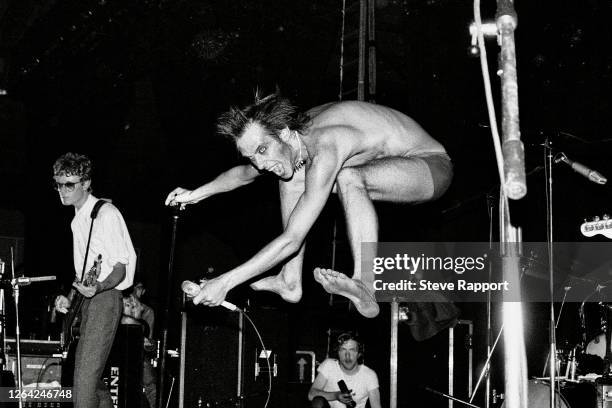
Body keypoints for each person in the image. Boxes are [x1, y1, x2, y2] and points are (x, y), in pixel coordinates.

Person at [165, 92, 452, 318]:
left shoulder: (325, 145)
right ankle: (290, 280)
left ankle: (366, 283)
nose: (260, 163)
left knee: (347, 177)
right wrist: (196, 194)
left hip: (431, 167)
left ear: (286, 134)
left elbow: (292, 239)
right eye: (253, 156)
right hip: (386, 164)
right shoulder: (290, 141)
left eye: (262, 150)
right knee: (287, 173)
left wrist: (226, 282)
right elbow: (243, 175)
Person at [53, 152, 137, 408]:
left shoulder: (106, 213)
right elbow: (84, 273)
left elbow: (121, 267)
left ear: (86, 183)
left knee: (84, 383)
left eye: (70, 184)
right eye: (58, 183)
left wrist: (99, 286)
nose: (62, 190)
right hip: (88, 300)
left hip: (106, 299)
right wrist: (68, 299)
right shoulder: (78, 219)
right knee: (92, 382)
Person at [308, 333, 381, 408]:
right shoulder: (329, 366)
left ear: (359, 354)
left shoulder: (369, 375)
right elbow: (311, 395)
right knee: (318, 401)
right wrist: (336, 395)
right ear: (338, 352)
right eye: (343, 350)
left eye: (352, 350)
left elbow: (376, 406)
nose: (347, 355)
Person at [121, 282, 157, 408]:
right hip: (117, 354)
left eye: (140, 288)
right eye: (126, 305)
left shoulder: (145, 315)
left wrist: (147, 343)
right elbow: (124, 320)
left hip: (136, 356)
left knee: (149, 381)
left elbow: (149, 341)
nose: (130, 307)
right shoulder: (118, 308)